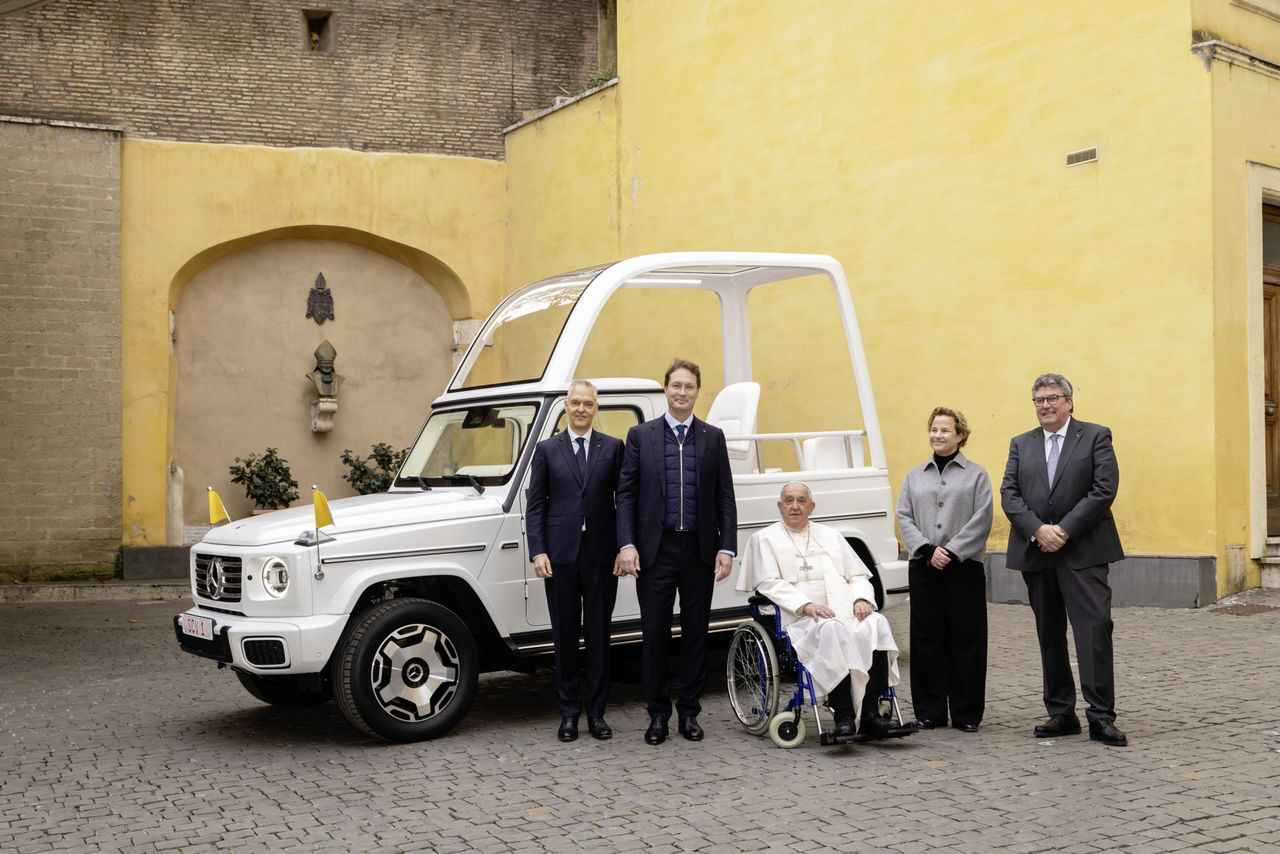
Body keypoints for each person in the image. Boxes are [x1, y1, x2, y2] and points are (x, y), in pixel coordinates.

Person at [1000, 373, 1127, 747]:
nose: (1045, 406)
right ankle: (1061, 712)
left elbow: (1103, 490)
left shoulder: (1095, 435)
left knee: (1094, 632)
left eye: (1053, 398)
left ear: (1069, 402)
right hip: (1037, 553)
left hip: (1084, 551)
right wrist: (1039, 530)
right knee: (1050, 634)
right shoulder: (1021, 444)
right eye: (1039, 400)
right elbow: (1010, 494)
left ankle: (1101, 716)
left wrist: (1064, 530)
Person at [616, 358, 737, 745]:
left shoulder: (712, 437)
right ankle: (657, 715)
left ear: (697, 392)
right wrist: (627, 543)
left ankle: (689, 712)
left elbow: (725, 497)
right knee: (653, 634)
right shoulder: (641, 436)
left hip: (699, 550)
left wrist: (726, 547)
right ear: (665, 390)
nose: (682, 392)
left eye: (689, 386)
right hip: (656, 551)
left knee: (696, 634)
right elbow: (627, 495)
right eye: (676, 386)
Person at [737, 481, 912, 740]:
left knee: (875, 623)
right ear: (780, 505)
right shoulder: (764, 539)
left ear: (812, 506)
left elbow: (857, 575)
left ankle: (871, 714)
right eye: (788, 500)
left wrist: (861, 599)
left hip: (844, 611)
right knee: (832, 629)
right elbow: (768, 582)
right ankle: (843, 715)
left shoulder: (831, 535)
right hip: (801, 620)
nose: (795, 506)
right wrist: (806, 605)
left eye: (801, 501)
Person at [526, 380, 625, 743]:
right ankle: (569, 713)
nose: (582, 409)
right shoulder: (547, 449)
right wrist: (538, 551)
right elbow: (535, 504)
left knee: (599, 636)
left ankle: (597, 714)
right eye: (575, 403)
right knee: (565, 637)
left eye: (588, 403)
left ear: (596, 408)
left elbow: (623, 501)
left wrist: (623, 547)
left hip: (601, 556)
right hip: (560, 556)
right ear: (565, 406)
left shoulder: (613, 447)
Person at [895, 407, 993, 733]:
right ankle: (929, 711)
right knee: (927, 640)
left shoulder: (976, 475)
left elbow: (982, 518)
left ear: (960, 435)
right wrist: (925, 549)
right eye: (934, 430)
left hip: (963, 567)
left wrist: (951, 551)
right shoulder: (913, 475)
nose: (938, 435)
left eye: (945, 430)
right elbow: (904, 516)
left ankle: (966, 713)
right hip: (923, 566)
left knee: (967, 639)